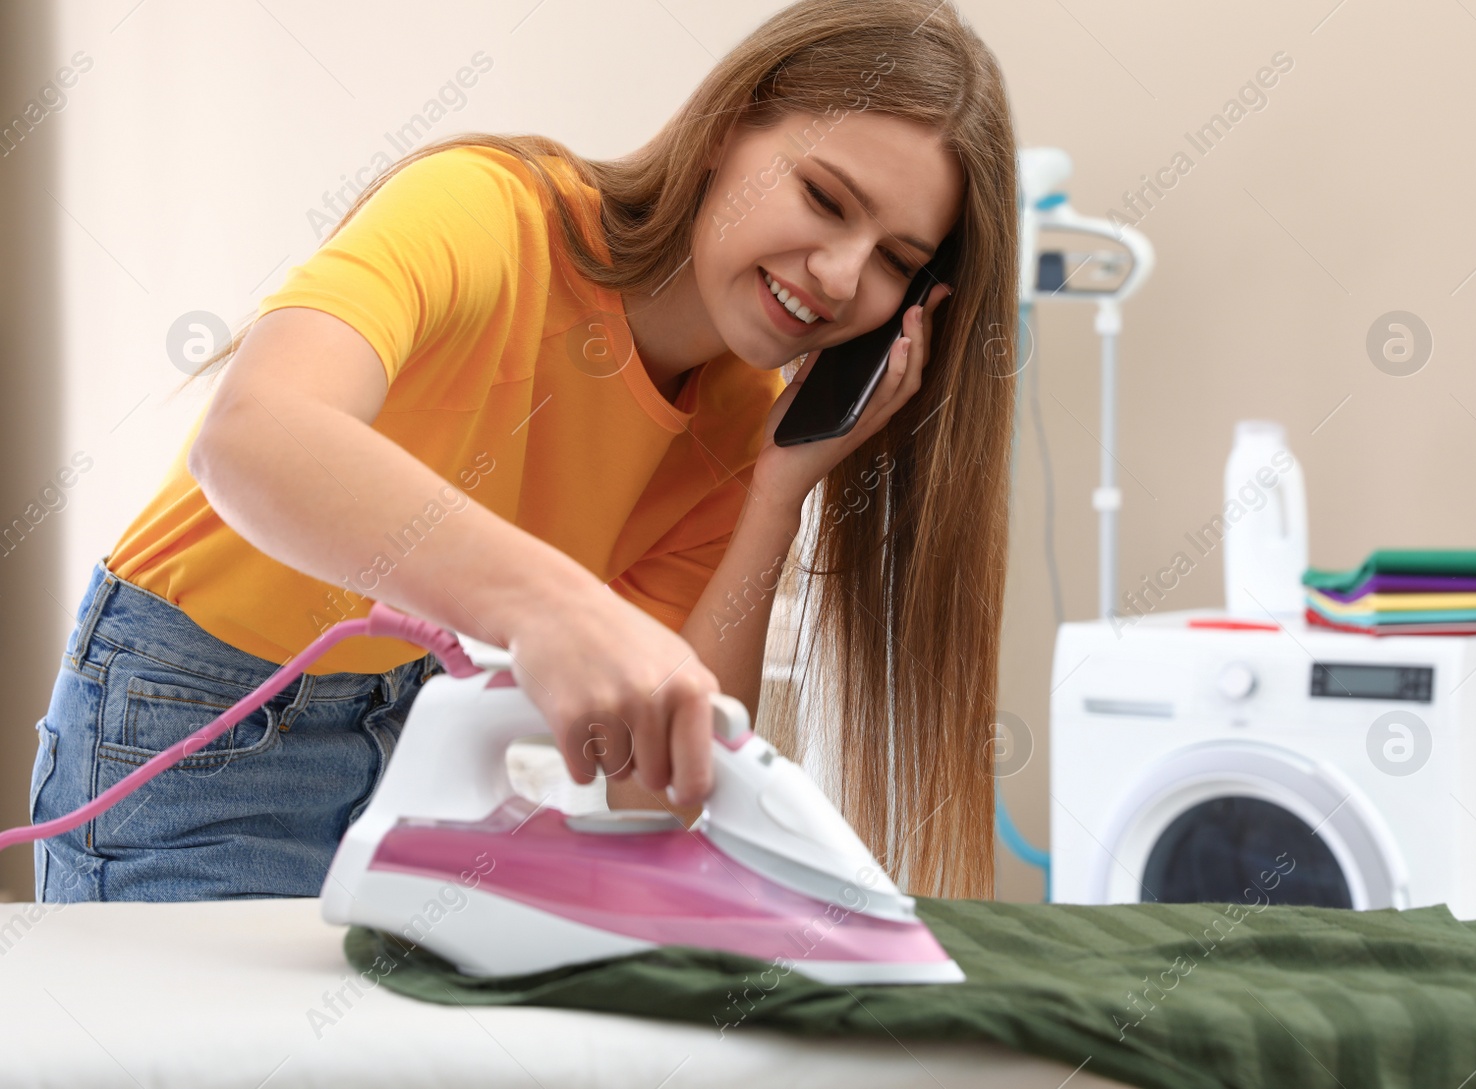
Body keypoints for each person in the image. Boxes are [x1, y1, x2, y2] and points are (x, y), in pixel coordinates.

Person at [28, 0, 1019, 904]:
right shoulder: (486, 211)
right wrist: (555, 609)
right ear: (727, 131)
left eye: (895, 261)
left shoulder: (737, 422)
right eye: (824, 198)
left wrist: (778, 489)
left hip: (407, 747)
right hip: (190, 710)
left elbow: (652, 792)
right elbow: (249, 440)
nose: (844, 277)